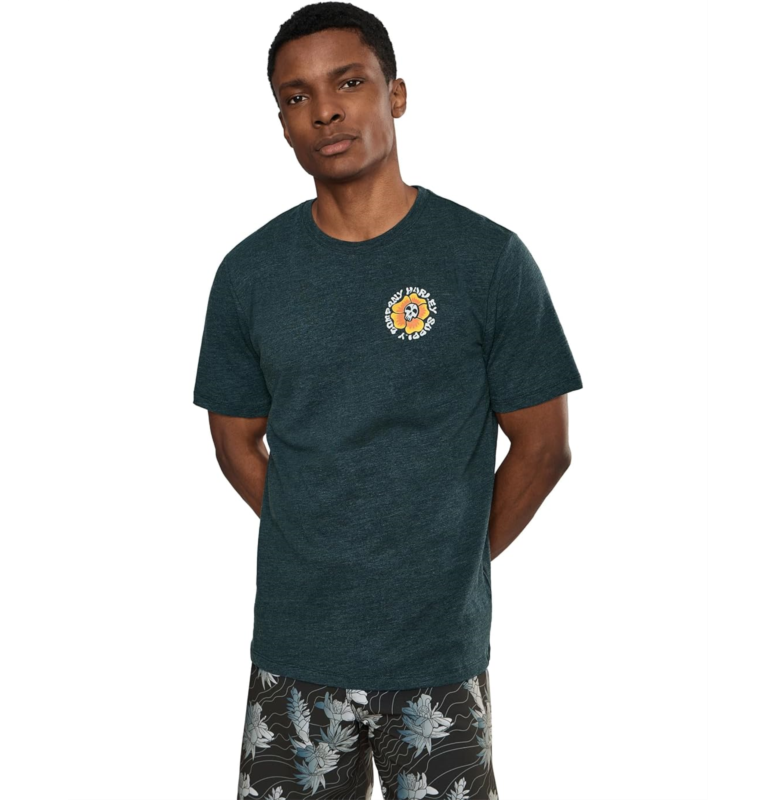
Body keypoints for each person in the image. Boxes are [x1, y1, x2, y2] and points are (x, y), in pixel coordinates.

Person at [193, 2, 583, 797]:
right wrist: (319, 538)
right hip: (297, 649)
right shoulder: (249, 274)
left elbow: (545, 448)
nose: (325, 110)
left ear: (395, 94)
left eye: (349, 83)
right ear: (282, 122)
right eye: (297, 96)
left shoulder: (487, 260)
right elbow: (234, 442)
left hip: (436, 657)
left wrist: (449, 560)